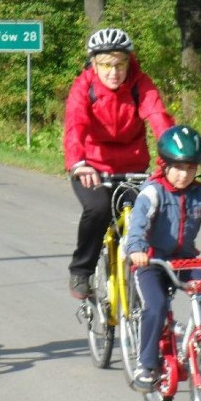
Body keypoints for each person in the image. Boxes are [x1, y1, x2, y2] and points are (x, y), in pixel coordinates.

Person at [124, 125, 201, 392]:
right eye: (179, 168)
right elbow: (138, 226)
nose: (185, 175)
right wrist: (137, 250)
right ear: (164, 165)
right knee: (155, 306)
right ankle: (146, 365)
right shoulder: (152, 192)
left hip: (184, 260)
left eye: (192, 168)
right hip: (152, 262)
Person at [63, 27, 175, 299]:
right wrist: (78, 163)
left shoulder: (140, 84)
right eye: (106, 64)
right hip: (92, 168)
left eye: (120, 64)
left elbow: (158, 116)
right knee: (98, 209)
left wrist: (170, 157)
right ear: (94, 63)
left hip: (132, 168)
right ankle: (82, 270)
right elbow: (75, 125)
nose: (114, 72)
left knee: (150, 214)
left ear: (129, 62)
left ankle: (156, 273)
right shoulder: (84, 86)